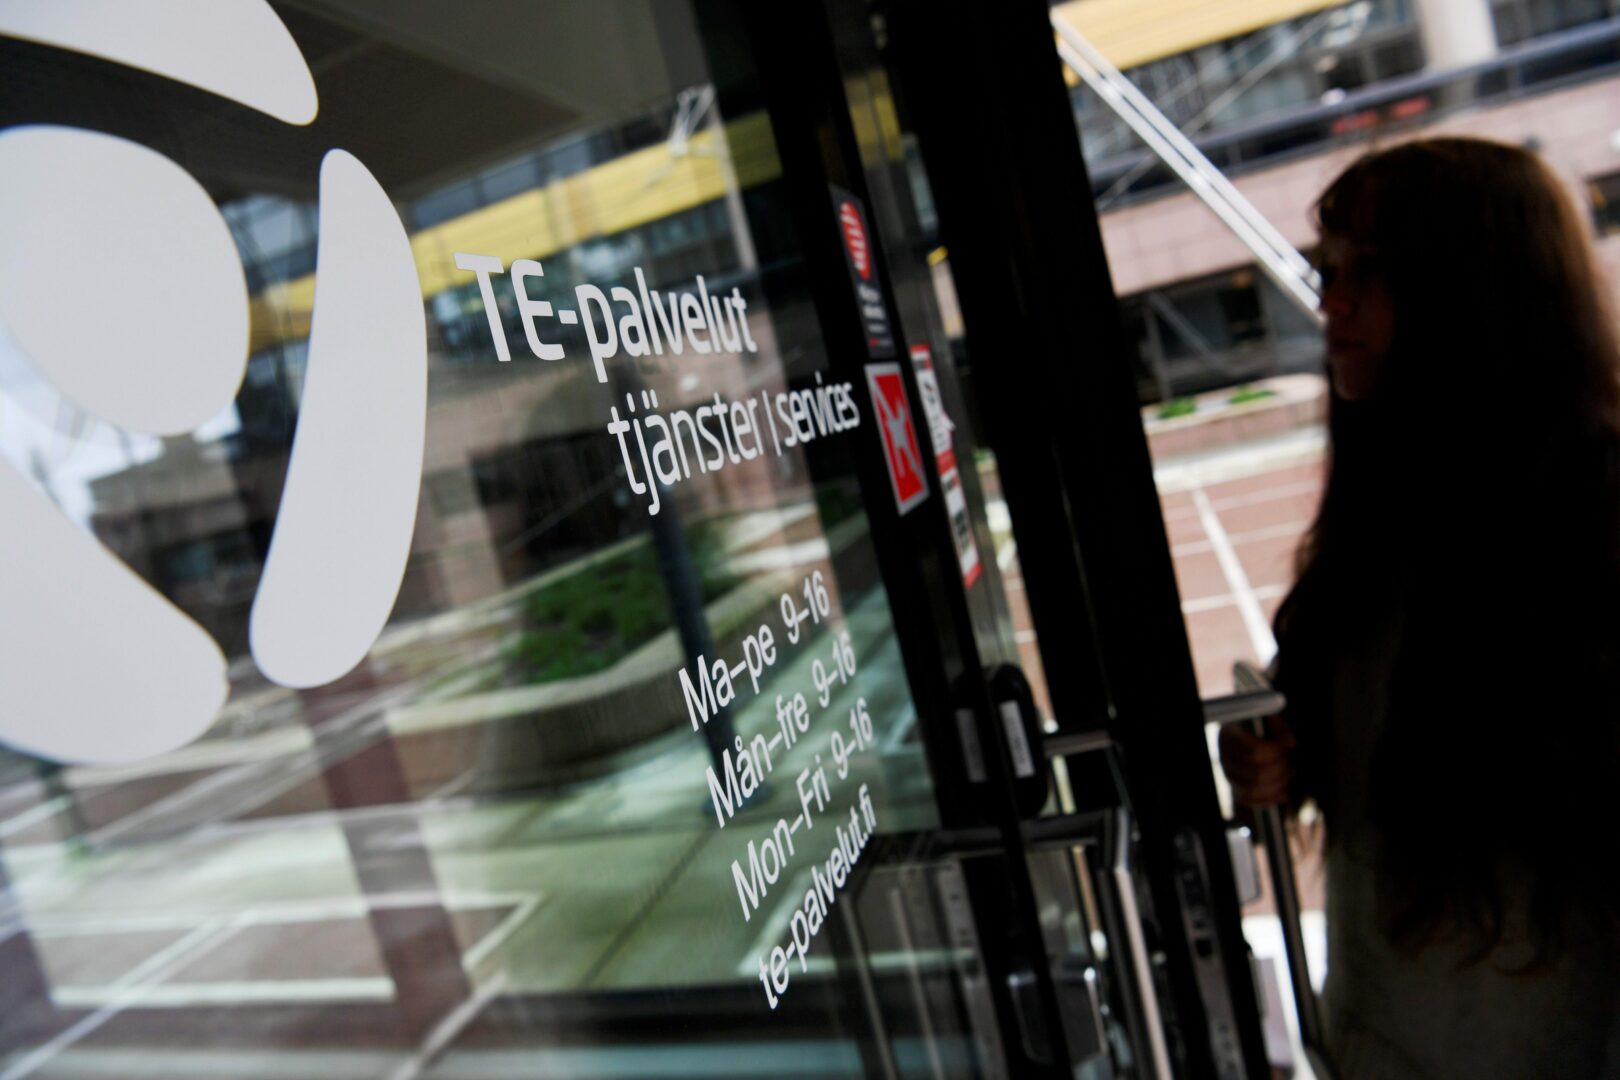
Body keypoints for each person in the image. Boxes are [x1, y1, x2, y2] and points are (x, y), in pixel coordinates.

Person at [1219, 137, 1620, 1078]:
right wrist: (1273, 757)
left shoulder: (1593, 514)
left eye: (1373, 270)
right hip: (1376, 1040)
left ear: (1479, 290)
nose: (1333, 302)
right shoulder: (1387, 510)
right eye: (1330, 268)